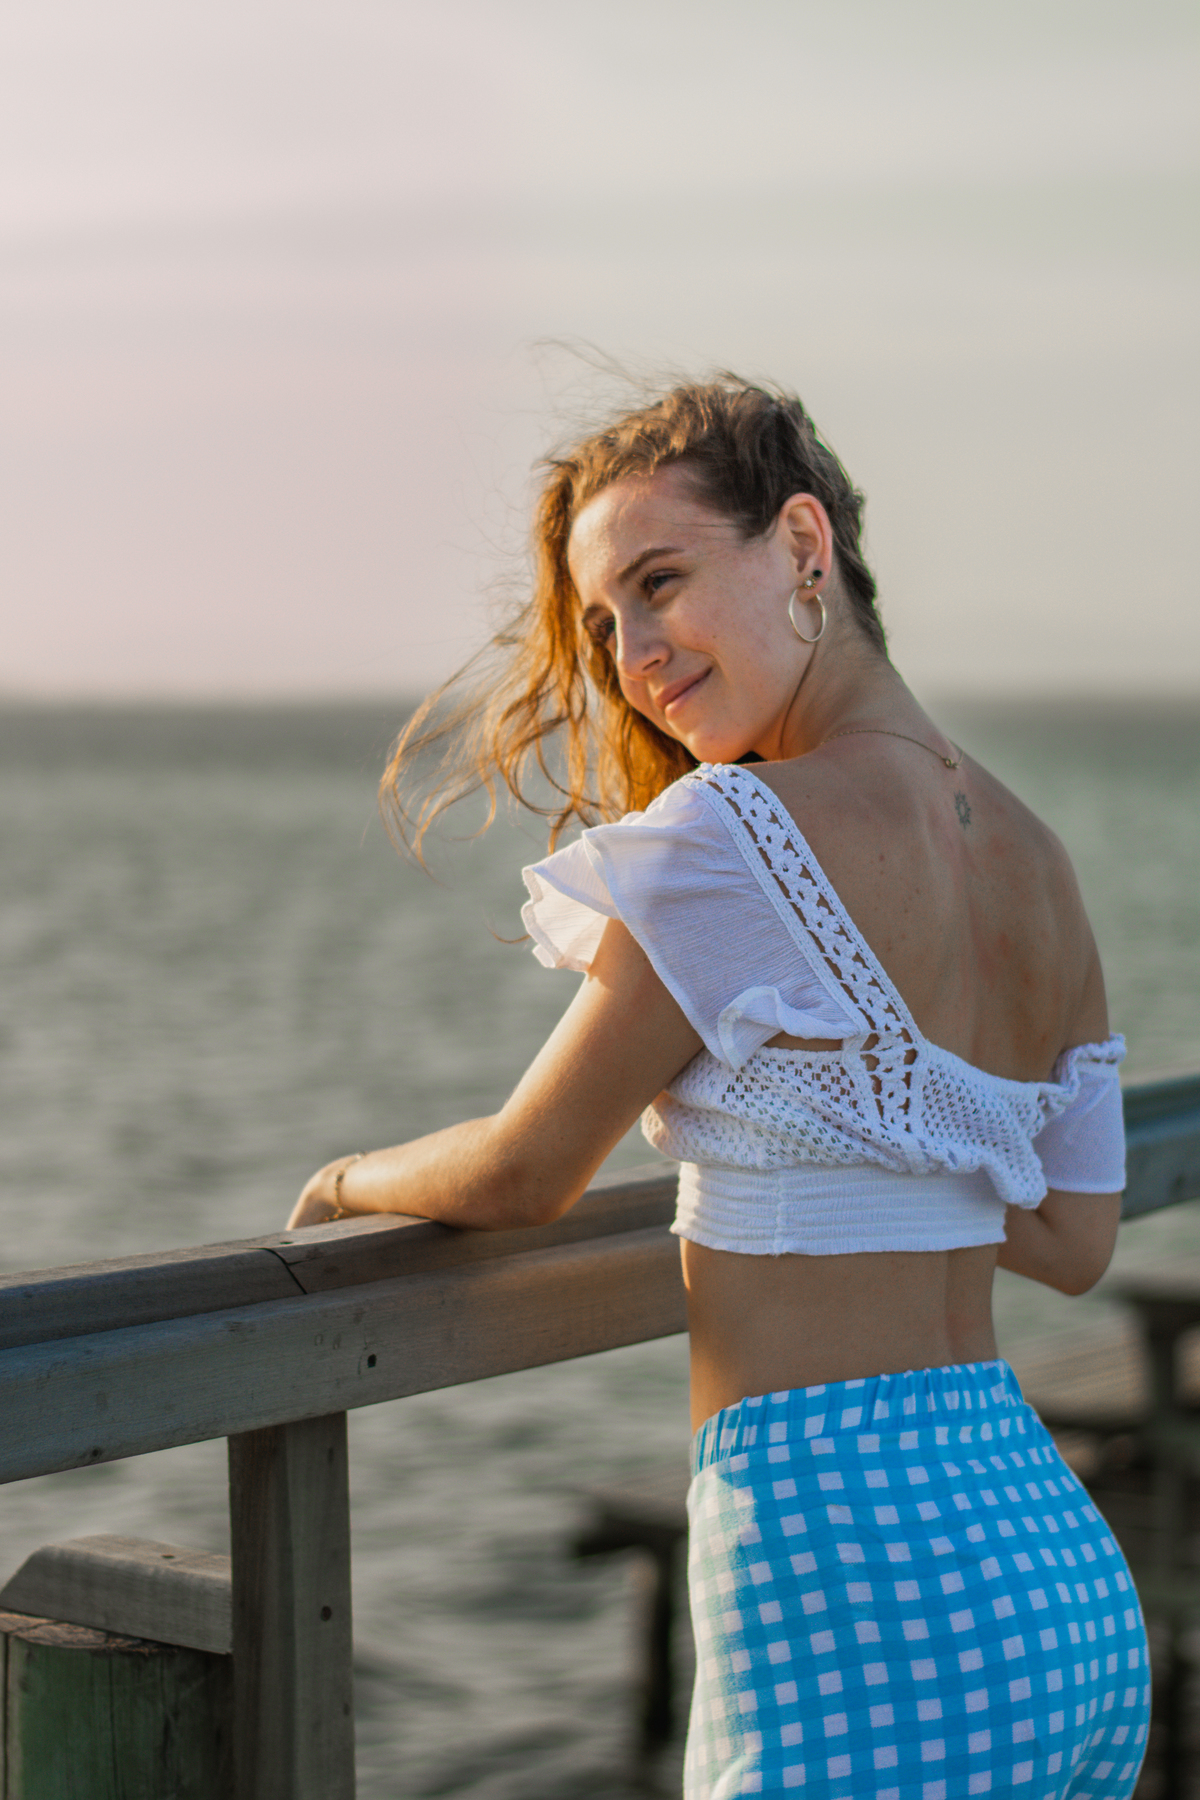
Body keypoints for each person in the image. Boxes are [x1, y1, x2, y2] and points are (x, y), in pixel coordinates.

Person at [290, 376, 1148, 1798]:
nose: (631, 653)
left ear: (804, 546)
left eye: (661, 581)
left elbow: (524, 1172)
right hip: (1053, 1580)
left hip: (853, 1581)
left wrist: (342, 1182)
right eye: (602, 623)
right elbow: (1074, 1239)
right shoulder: (1036, 856)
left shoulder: (737, 833)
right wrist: (881, 1149)